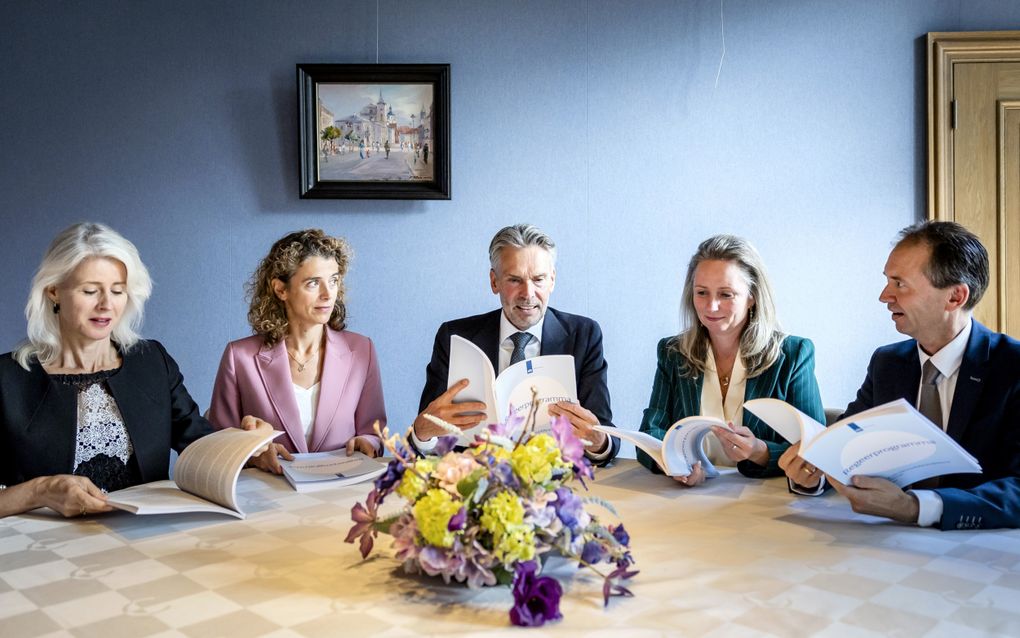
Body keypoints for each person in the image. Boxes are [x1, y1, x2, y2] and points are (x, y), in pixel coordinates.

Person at [0, 223, 268, 518]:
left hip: (144, 540)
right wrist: (40, 491)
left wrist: (248, 443)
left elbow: (200, 445)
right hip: (46, 549)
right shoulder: (7, 378)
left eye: (117, 291)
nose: (106, 305)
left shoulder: (151, 360)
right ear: (53, 291)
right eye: (90, 291)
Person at [780, 221, 1020, 530]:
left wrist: (915, 507)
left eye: (899, 283)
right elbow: (844, 447)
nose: (884, 296)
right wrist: (812, 475)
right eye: (887, 281)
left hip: (985, 556)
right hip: (886, 546)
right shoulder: (888, 362)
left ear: (955, 297)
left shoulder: (1012, 367)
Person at [412, 223, 619, 465]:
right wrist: (421, 432)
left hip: (558, 484)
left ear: (552, 280)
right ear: (494, 281)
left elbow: (606, 437)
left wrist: (598, 441)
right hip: (475, 482)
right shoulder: (454, 336)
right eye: (514, 280)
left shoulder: (584, 335)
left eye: (539, 279)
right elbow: (428, 439)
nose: (528, 293)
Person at [638, 235, 825, 486]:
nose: (711, 306)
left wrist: (760, 451)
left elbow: (817, 451)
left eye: (726, 294)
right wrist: (675, 465)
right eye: (702, 293)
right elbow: (650, 433)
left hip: (767, 503)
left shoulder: (793, 354)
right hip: (688, 500)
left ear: (752, 296)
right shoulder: (673, 352)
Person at [208, 229, 386, 475]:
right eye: (313, 283)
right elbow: (218, 444)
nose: (327, 293)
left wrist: (369, 443)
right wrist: (254, 455)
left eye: (333, 280)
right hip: (268, 498)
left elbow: (374, 431)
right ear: (281, 289)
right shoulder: (239, 357)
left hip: (342, 493)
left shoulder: (361, 350)